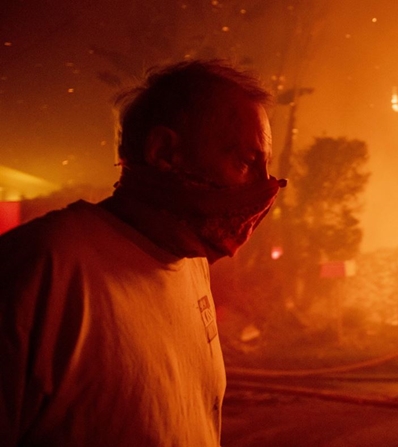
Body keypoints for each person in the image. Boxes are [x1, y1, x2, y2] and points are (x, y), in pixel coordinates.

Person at [0, 60, 286, 446]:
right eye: (244, 162)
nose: (264, 187)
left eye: (265, 166)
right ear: (164, 152)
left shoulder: (190, 264)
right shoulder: (40, 268)